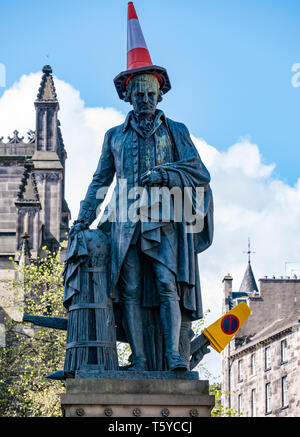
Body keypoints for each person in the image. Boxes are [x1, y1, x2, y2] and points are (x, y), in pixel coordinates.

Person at [68, 3, 213, 372]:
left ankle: (174, 356)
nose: (146, 100)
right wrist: (84, 218)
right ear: (128, 97)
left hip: (165, 217)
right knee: (129, 289)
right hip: (124, 219)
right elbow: (101, 181)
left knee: (166, 285)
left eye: (151, 94)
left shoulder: (176, 130)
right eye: (139, 94)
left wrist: (166, 174)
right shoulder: (114, 136)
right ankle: (141, 358)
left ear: (160, 95)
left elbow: (200, 172)